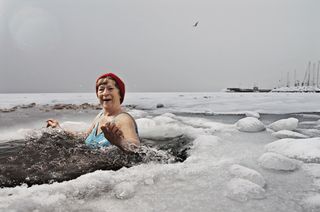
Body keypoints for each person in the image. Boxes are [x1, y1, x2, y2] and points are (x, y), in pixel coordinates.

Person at [46, 73, 140, 152]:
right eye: (101, 89)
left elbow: (136, 148)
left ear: (120, 94)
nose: (105, 93)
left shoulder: (124, 119)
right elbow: (84, 136)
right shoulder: (100, 116)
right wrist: (59, 129)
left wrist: (120, 142)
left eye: (110, 89)